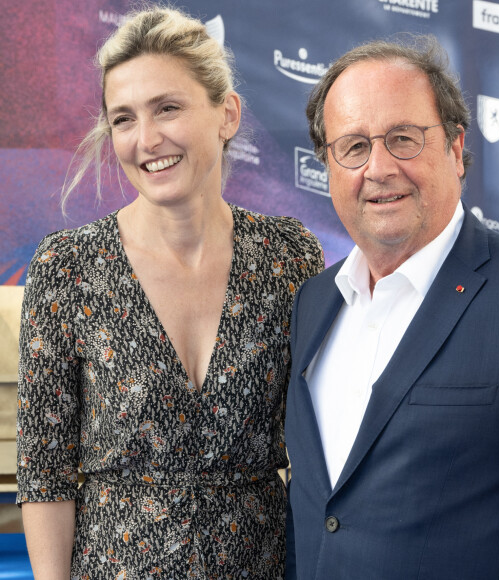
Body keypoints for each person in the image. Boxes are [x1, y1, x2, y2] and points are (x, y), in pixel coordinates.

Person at [16, 7, 324, 579]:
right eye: (124, 119)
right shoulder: (69, 267)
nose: (146, 139)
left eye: (168, 108)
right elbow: (46, 473)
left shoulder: (288, 256)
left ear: (226, 113)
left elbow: (324, 446)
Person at [284, 34, 499, 579]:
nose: (378, 168)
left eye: (403, 138)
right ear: (327, 164)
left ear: (455, 145)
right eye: (353, 147)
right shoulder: (314, 302)